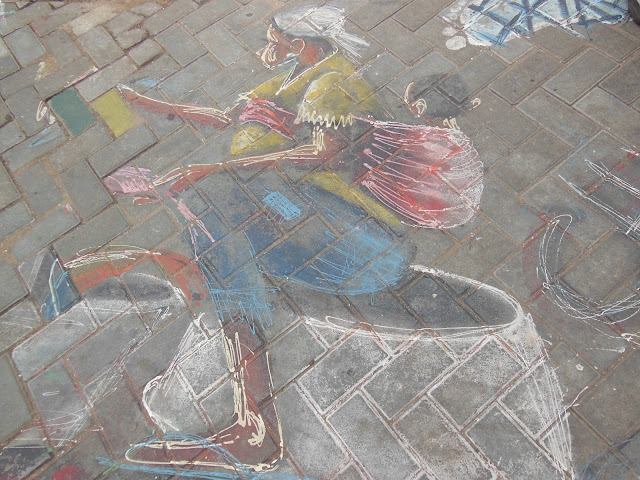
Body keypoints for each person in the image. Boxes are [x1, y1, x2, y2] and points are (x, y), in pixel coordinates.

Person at [62, 5, 569, 479]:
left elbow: (324, 153)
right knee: (213, 206)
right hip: (304, 219)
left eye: (274, 39)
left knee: (216, 199)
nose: (266, 47)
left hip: (358, 243)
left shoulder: (333, 81)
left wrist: (208, 170)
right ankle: (250, 406)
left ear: (303, 43)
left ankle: (254, 428)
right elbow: (227, 117)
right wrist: (145, 105)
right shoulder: (291, 78)